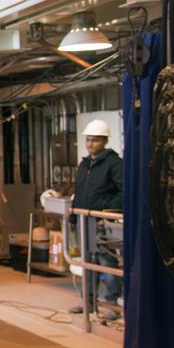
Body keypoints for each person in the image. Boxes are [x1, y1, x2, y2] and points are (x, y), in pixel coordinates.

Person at [69, 120, 124, 317]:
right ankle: (89, 302)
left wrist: (104, 207)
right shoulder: (85, 164)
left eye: (95, 140)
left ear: (105, 141)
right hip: (84, 220)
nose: (90, 144)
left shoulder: (114, 163)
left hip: (101, 221)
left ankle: (112, 304)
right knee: (87, 262)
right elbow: (79, 191)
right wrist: (73, 217)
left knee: (106, 262)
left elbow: (124, 191)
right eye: (88, 140)